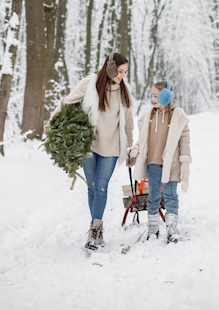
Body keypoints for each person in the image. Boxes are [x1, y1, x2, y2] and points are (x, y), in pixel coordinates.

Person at [49, 52, 134, 250]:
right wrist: (51, 122)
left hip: (112, 148)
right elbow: (67, 101)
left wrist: (130, 147)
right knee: (92, 186)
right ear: (111, 68)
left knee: (102, 186)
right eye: (120, 71)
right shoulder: (90, 84)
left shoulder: (124, 91)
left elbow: (128, 122)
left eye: (125, 72)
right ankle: (95, 229)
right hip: (90, 145)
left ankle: (96, 229)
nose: (122, 76)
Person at [128, 79, 191, 243]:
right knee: (154, 196)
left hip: (172, 164)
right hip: (153, 162)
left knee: (170, 195)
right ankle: (153, 228)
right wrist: (135, 150)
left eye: (156, 96)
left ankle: (171, 229)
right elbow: (142, 140)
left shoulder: (178, 116)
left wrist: (185, 163)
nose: (152, 99)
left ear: (166, 96)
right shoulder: (149, 115)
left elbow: (185, 141)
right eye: (151, 96)